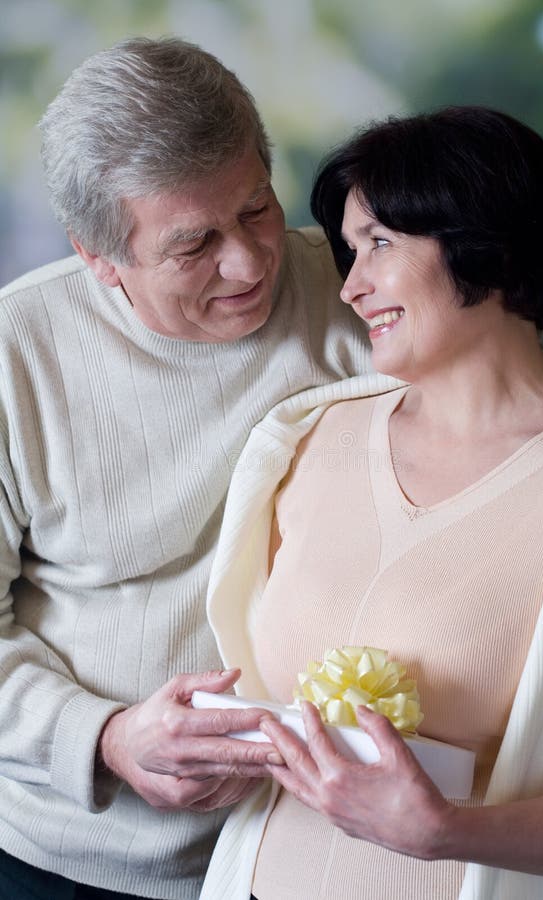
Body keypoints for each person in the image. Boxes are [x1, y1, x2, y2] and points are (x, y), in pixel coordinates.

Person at [0, 36, 375, 900]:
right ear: (99, 260)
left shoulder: (369, 287)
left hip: (317, 853)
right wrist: (105, 737)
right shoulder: (19, 352)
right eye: (193, 244)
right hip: (68, 858)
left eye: (255, 210)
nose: (247, 264)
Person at [201, 107, 543, 900]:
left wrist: (449, 831)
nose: (351, 287)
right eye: (351, 252)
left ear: (487, 239)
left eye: (378, 243)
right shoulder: (306, 441)